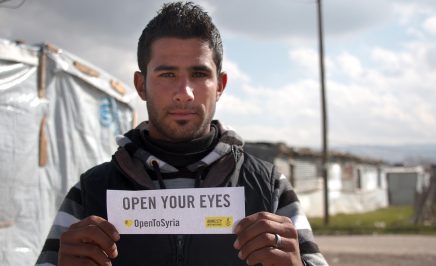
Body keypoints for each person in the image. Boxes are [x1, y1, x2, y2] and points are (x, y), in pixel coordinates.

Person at [36, 2, 328, 265]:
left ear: (220, 85)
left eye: (199, 74)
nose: (184, 94)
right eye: (167, 75)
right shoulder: (92, 191)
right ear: (141, 86)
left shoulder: (269, 186)